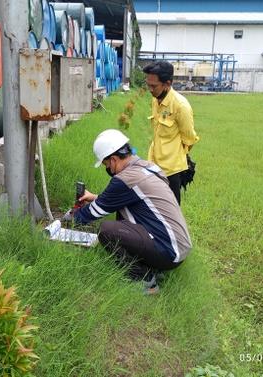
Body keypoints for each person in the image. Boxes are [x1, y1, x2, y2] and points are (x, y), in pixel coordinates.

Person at [64, 129, 193, 294]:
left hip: (169, 252)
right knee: (122, 213)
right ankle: (153, 266)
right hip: (177, 246)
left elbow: (92, 214)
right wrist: (95, 197)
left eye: (106, 164)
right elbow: (135, 200)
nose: (108, 168)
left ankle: (145, 281)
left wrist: (70, 218)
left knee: (107, 231)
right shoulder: (148, 167)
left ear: (114, 159)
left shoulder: (125, 180)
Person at [143, 61, 200, 205]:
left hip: (171, 171)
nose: (150, 89)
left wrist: (176, 157)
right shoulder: (156, 99)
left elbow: (189, 139)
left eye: (154, 86)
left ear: (167, 83)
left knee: (171, 212)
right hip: (153, 165)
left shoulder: (181, 106)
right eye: (148, 84)